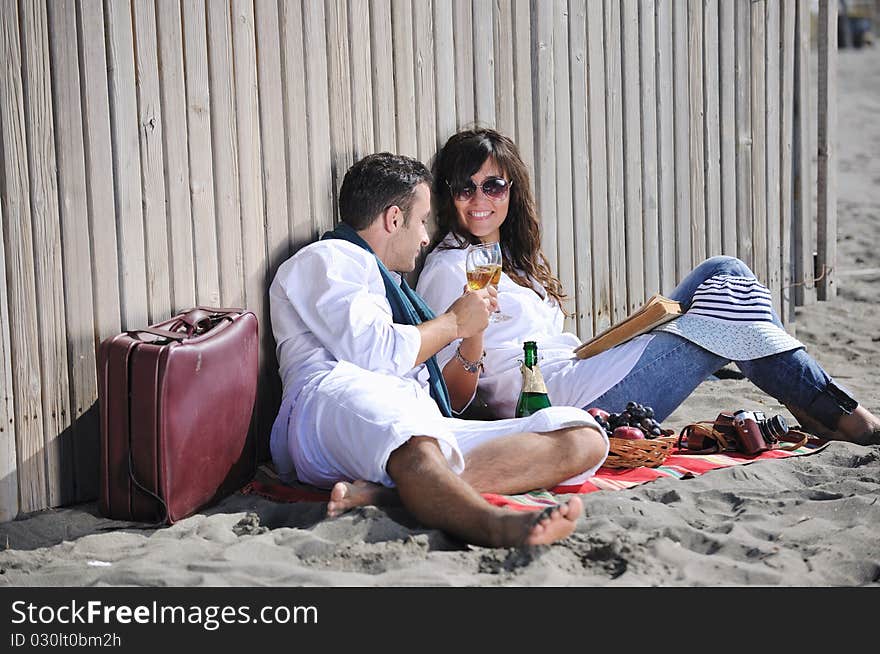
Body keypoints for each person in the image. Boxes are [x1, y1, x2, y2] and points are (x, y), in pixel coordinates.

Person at [416, 127, 880, 445]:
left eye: (493, 185)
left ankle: (816, 404)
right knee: (725, 313)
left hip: (582, 367)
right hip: (565, 404)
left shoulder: (516, 261)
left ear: (511, 190)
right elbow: (452, 396)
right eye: (465, 187)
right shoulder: (447, 269)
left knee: (725, 269)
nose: (479, 200)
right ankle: (837, 412)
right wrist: (471, 334)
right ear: (448, 194)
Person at [268, 152, 610, 548]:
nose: (426, 236)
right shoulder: (326, 259)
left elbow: (452, 396)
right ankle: (494, 525)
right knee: (413, 439)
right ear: (394, 219)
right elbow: (373, 353)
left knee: (582, 436)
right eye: (422, 220)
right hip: (330, 403)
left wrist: (471, 332)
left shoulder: (393, 287)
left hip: (405, 414)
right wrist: (451, 323)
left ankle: (388, 496)